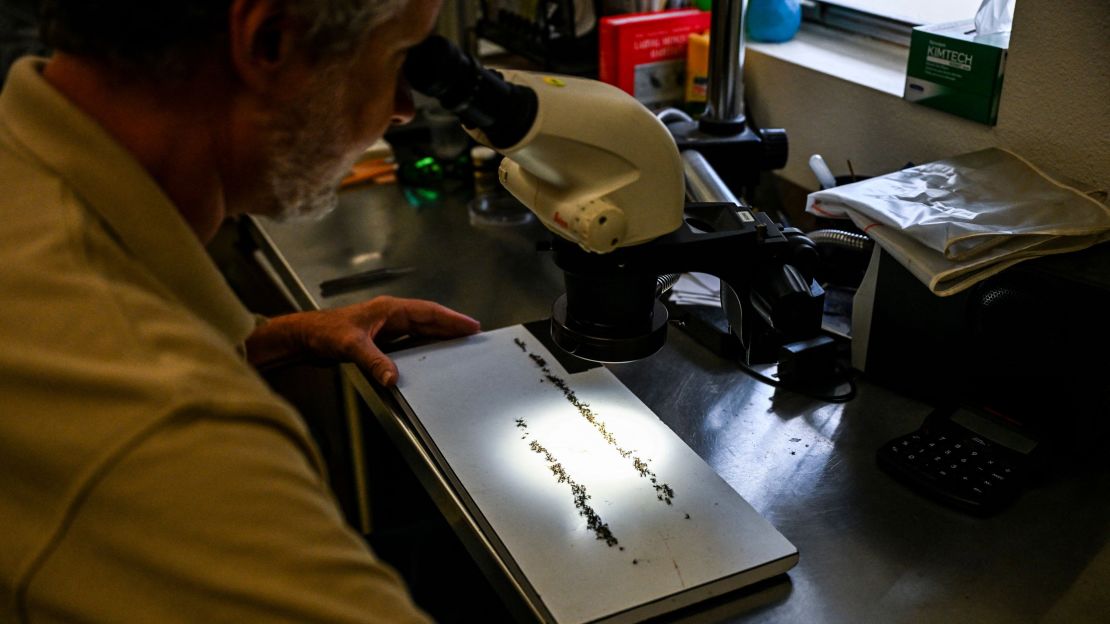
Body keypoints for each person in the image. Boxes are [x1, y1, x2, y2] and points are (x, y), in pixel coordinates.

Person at [0, 0, 481, 621]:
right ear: (270, 43)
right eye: (396, 56)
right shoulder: (172, 429)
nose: (403, 106)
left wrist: (270, 337)